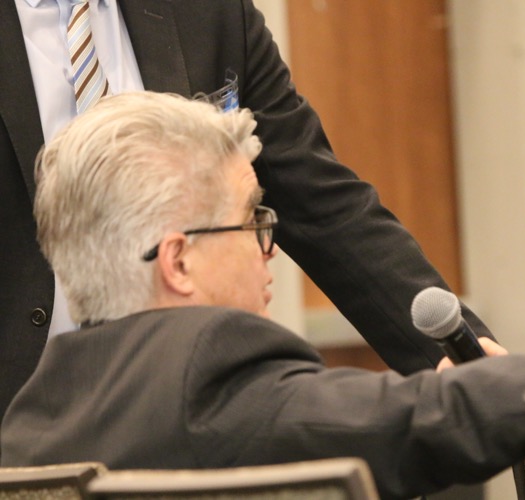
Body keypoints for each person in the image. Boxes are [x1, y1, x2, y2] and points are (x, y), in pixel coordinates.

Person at [3, 92, 525, 499]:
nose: (271, 250)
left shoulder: (32, 423)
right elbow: (422, 418)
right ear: (179, 262)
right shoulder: (209, 376)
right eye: (254, 220)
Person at [0, 0, 494, 422]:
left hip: (188, 415)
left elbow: (325, 205)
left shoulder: (209, 12)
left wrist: (464, 356)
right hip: (21, 422)